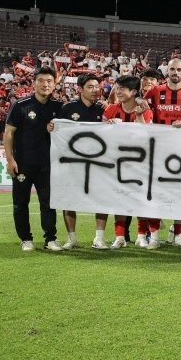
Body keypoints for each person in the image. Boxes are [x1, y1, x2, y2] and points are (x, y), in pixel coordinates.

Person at [143, 57, 181, 248]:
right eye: (172, 69)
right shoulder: (155, 91)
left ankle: (178, 234)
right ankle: (153, 236)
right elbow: (140, 108)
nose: (175, 73)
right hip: (159, 150)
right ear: (166, 71)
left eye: (179, 69)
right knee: (156, 192)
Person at [4, 66, 64, 252]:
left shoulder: (59, 107)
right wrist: (10, 160)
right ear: (34, 83)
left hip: (48, 165)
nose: (45, 84)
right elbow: (8, 134)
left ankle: (50, 239)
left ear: (54, 84)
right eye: (41, 81)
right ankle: (26, 239)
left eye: (49, 81)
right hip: (22, 164)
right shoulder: (21, 105)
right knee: (21, 203)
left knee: (48, 203)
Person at [103, 75, 158, 248]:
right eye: (117, 88)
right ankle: (120, 237)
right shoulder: (111, 110)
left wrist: (139, 117)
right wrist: (107, 126)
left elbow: (147, 136)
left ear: (133, 92)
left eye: (122, 89)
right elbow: (100, 135)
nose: (118, 92)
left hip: (140, 163)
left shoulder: (145, 110)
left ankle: (141, 235)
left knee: (140, 200)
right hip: (116, 162)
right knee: (118, 200)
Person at [56, 73, 107, 250]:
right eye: (90, 87)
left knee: (101, 198)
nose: (95, 90)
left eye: (97, 87)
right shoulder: (67, 109)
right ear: (80, 89)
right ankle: (72, 238)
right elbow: (58, 132)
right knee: (69, 199)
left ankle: (99, 238)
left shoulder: (102, 109)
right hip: (73, 162)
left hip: (98, 162)